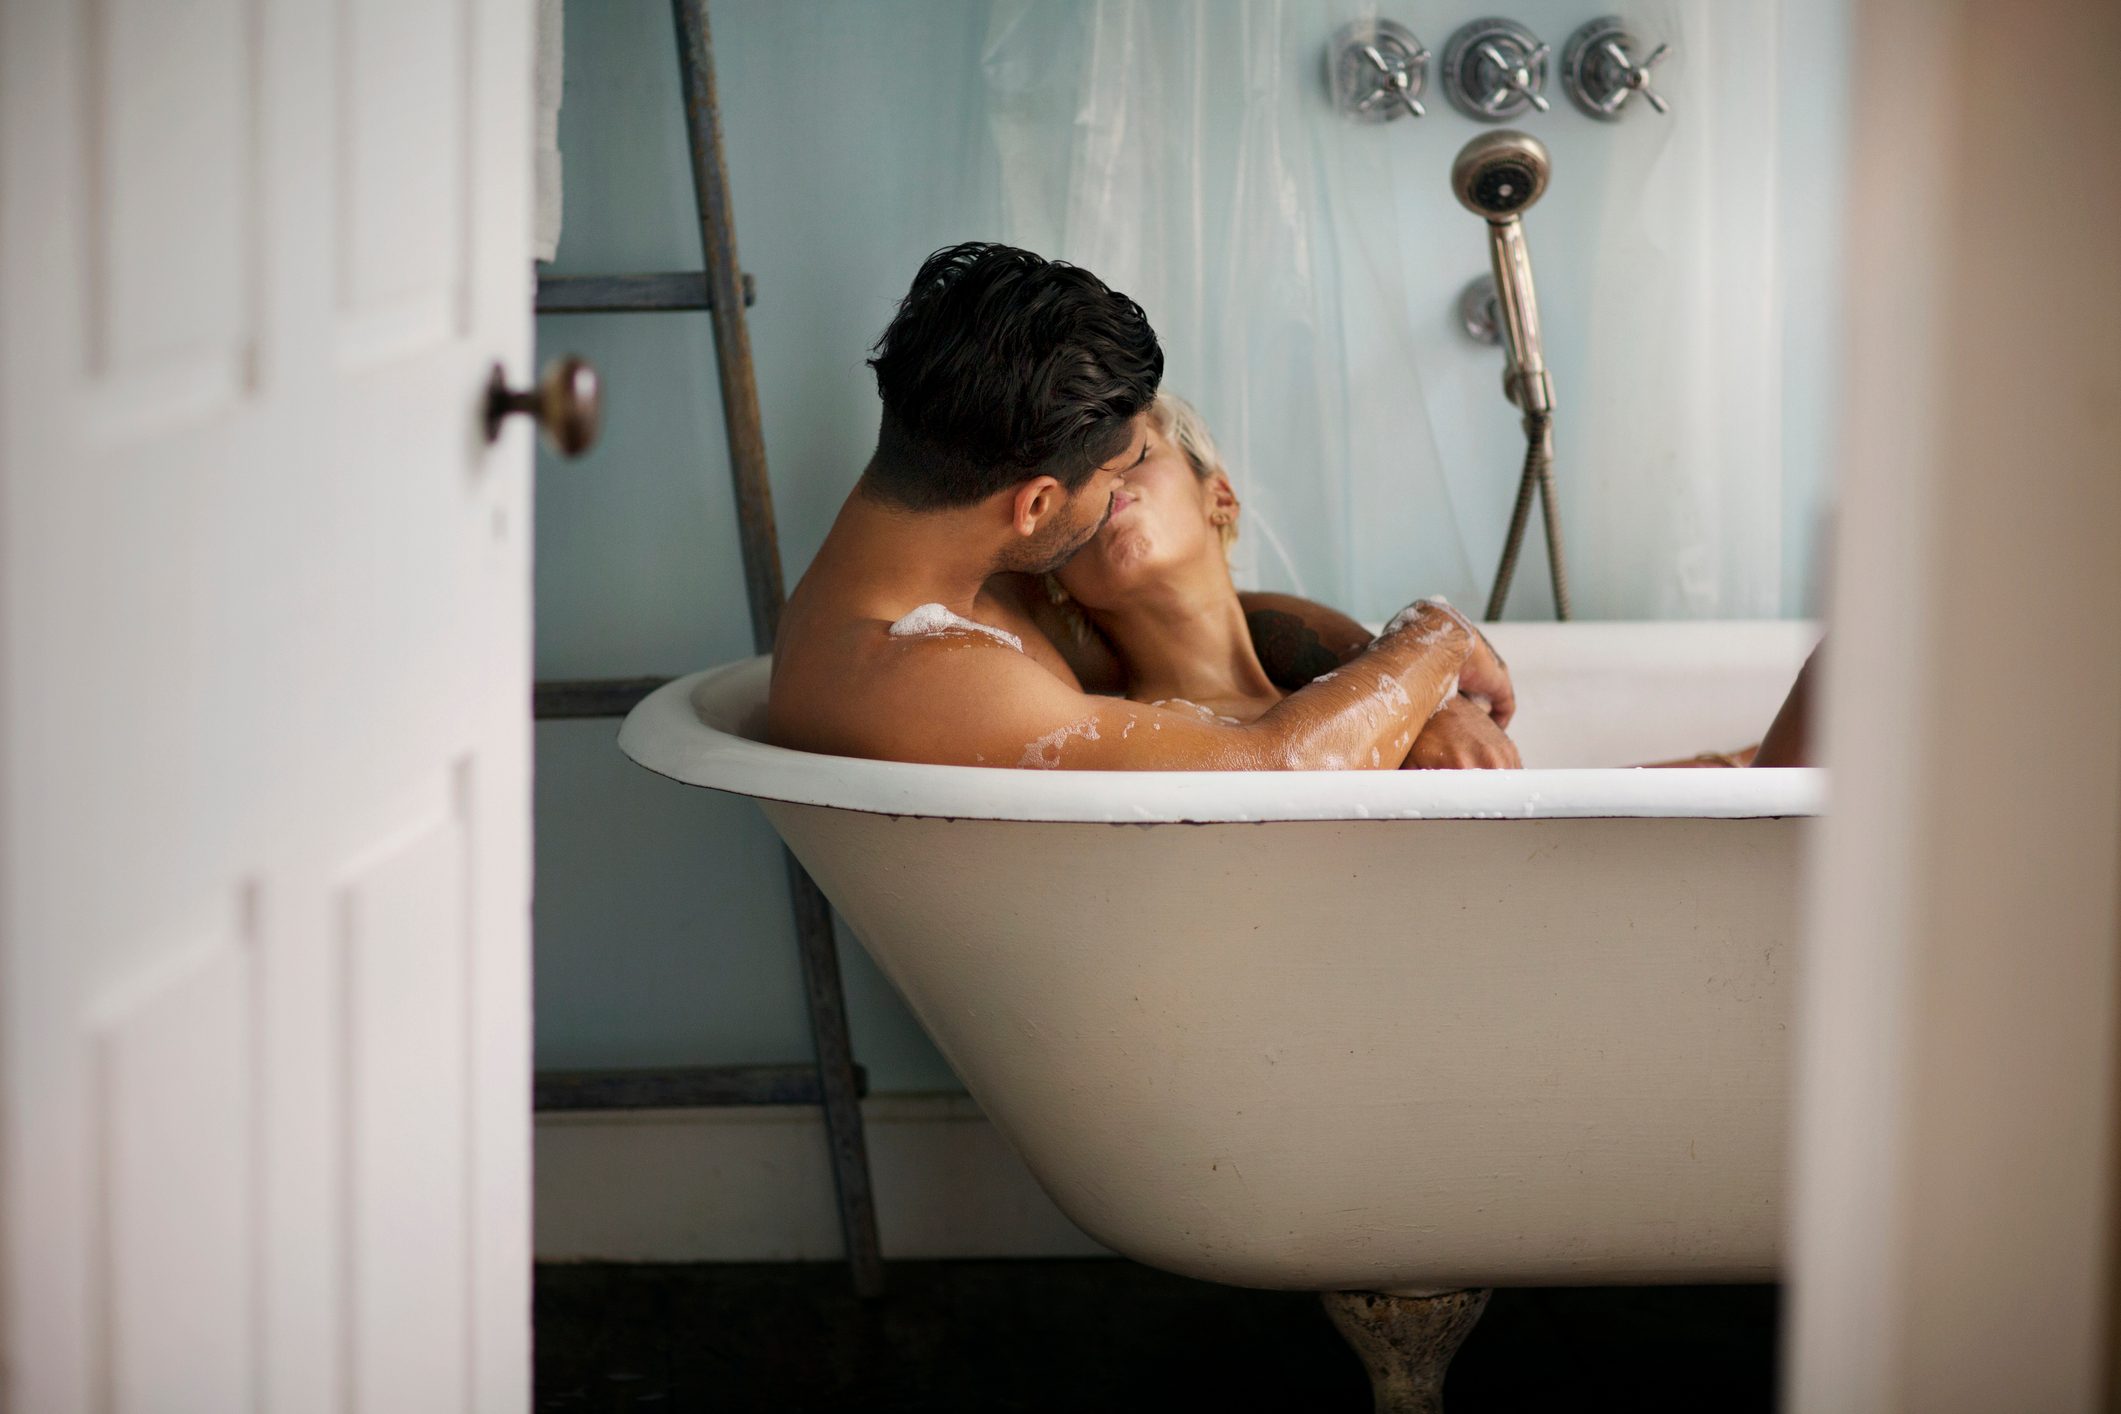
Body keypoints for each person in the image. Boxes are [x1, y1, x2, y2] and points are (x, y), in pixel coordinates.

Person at [768, 242, 1512, 770]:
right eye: (1114, 474)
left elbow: (1213, 619)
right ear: (1034, 506)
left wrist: (1419, 691)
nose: (1116, 498)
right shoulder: (919, 672)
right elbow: (1278, 772)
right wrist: (1436, 637)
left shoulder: (954, 573)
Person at [1032, 391, 1520, 768]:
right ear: (1056, 573)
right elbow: (1291, 767)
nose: (1108, 481)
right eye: (1078, 480)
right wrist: (1436, 633)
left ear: (1220, 497)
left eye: (1134, 455)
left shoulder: (1368, 703)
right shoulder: (1116, 734)